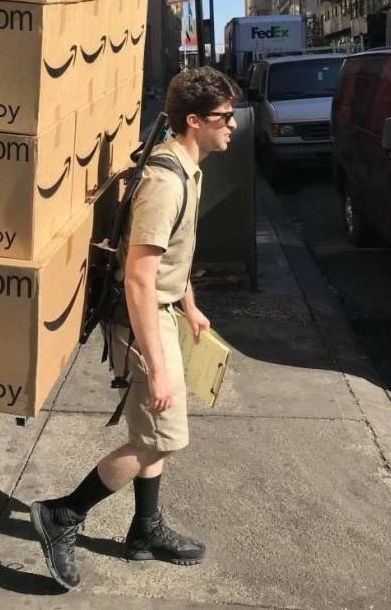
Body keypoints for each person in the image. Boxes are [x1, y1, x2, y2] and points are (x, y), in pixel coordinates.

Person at [31, 66, 241, 590]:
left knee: (151, 434)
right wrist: (159, 367)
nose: (233, 125)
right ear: (194, 121)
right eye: (225, 116)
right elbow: (139, 279)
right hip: (142, 318)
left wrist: (189, 303)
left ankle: (144, 530)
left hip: (164, 311)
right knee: (163, 438)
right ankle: (62, 514)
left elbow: (173, 254)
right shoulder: (165, 184)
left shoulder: (188, 168)